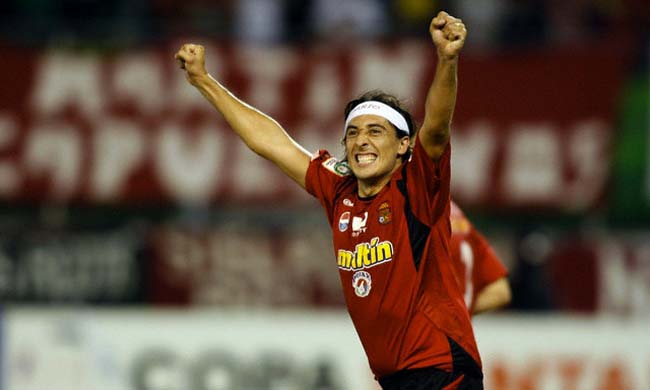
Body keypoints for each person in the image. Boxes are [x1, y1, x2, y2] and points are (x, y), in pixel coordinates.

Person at [175, 11, 482, 390]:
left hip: (442, 369)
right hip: (396, 379)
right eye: (352, 133)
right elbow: (272, 143)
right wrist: (205, 82)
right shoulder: (340, 190)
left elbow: (435, 127)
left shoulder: (414, 188)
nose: (360, 141)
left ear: (404, 145)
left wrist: (447, 60)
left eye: (375, 131)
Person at [450, 201, 511, 315]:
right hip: (460, 329)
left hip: (431, 329)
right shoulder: (459, 217)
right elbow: (500, 292)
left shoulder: (423, 217)